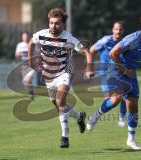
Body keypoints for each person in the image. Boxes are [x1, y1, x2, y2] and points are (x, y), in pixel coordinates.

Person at [87, 13, 141, 150]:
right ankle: (95, 116)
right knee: (116, 99)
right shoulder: (132, 39)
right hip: (115, 69)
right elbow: (112, 54)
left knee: (133, 106)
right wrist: (125, 70)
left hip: (131, 73)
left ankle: (131, 139)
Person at [28, 8, 93, 148]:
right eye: (51, 23)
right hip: (48, 76)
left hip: (64, 72)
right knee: (59, 106)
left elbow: (87, 52)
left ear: (63, 24)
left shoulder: (68, 38)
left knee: (59, 100)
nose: (53, 26)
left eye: (57, 23)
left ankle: (65, 137)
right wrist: (30, 61)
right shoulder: (42, 34)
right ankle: (79, 116)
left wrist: (89, 68)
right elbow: (31, 42)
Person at [89, 21, 126, 127]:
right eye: (116, 29)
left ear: (123, 31)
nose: (118, 31)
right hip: (105, 72)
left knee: (125, 94)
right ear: (112, 30)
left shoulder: (125, 42)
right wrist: (90, 67)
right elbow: (91, 50)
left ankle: (121, 119)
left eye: (120, 29)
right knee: (110, 100)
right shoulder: (106, 40)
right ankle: (95, 116)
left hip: (119, 72)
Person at [15, 31, 37, 100]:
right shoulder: (20, 45)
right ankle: (31, 93)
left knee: (28, 80)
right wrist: (19, 55)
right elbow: (16, 55)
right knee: (26, 82)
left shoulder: (33, 44)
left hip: (32, 65)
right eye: (24, 36)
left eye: (27, 36)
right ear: (22, 37)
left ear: (29, 36)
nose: (25, 37)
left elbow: (38, 54)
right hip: (24, 66)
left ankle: (31, 93)